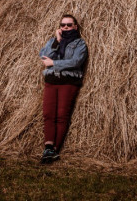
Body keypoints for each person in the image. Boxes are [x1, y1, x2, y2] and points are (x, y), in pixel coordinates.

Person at [38, 14, 88, 164]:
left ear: (75, 26)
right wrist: (57, 41)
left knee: (61, 115)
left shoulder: (80, 44)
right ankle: (48, 147)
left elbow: (76, 61)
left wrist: (54, 63)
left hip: (68, 81)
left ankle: (54, 150)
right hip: (52, 80)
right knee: (48, 114)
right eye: (63, 25)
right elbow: (43, 56)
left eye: (69, 25)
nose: (65, 27)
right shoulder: (53, 41)